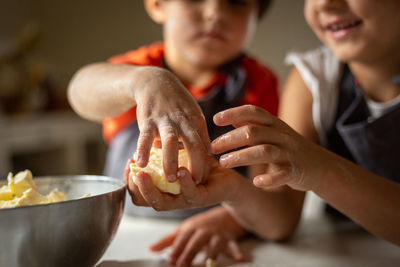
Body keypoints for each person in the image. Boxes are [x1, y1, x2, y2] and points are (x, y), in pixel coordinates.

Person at [126, 0, 400, 263]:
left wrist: (322, 170)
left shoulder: (263, 83)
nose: (326, 3)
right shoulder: (313, 79)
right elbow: (282, 216)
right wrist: (233, 192)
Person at [68, 0, 297, 265]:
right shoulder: (136, 70)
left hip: (213, 249)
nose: (215, 13)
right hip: (121, 235)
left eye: (237, 2)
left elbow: (272, 200)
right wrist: (143, 82)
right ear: (156, 5)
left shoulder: (257, 85)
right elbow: (78, 90)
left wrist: (232, 221)